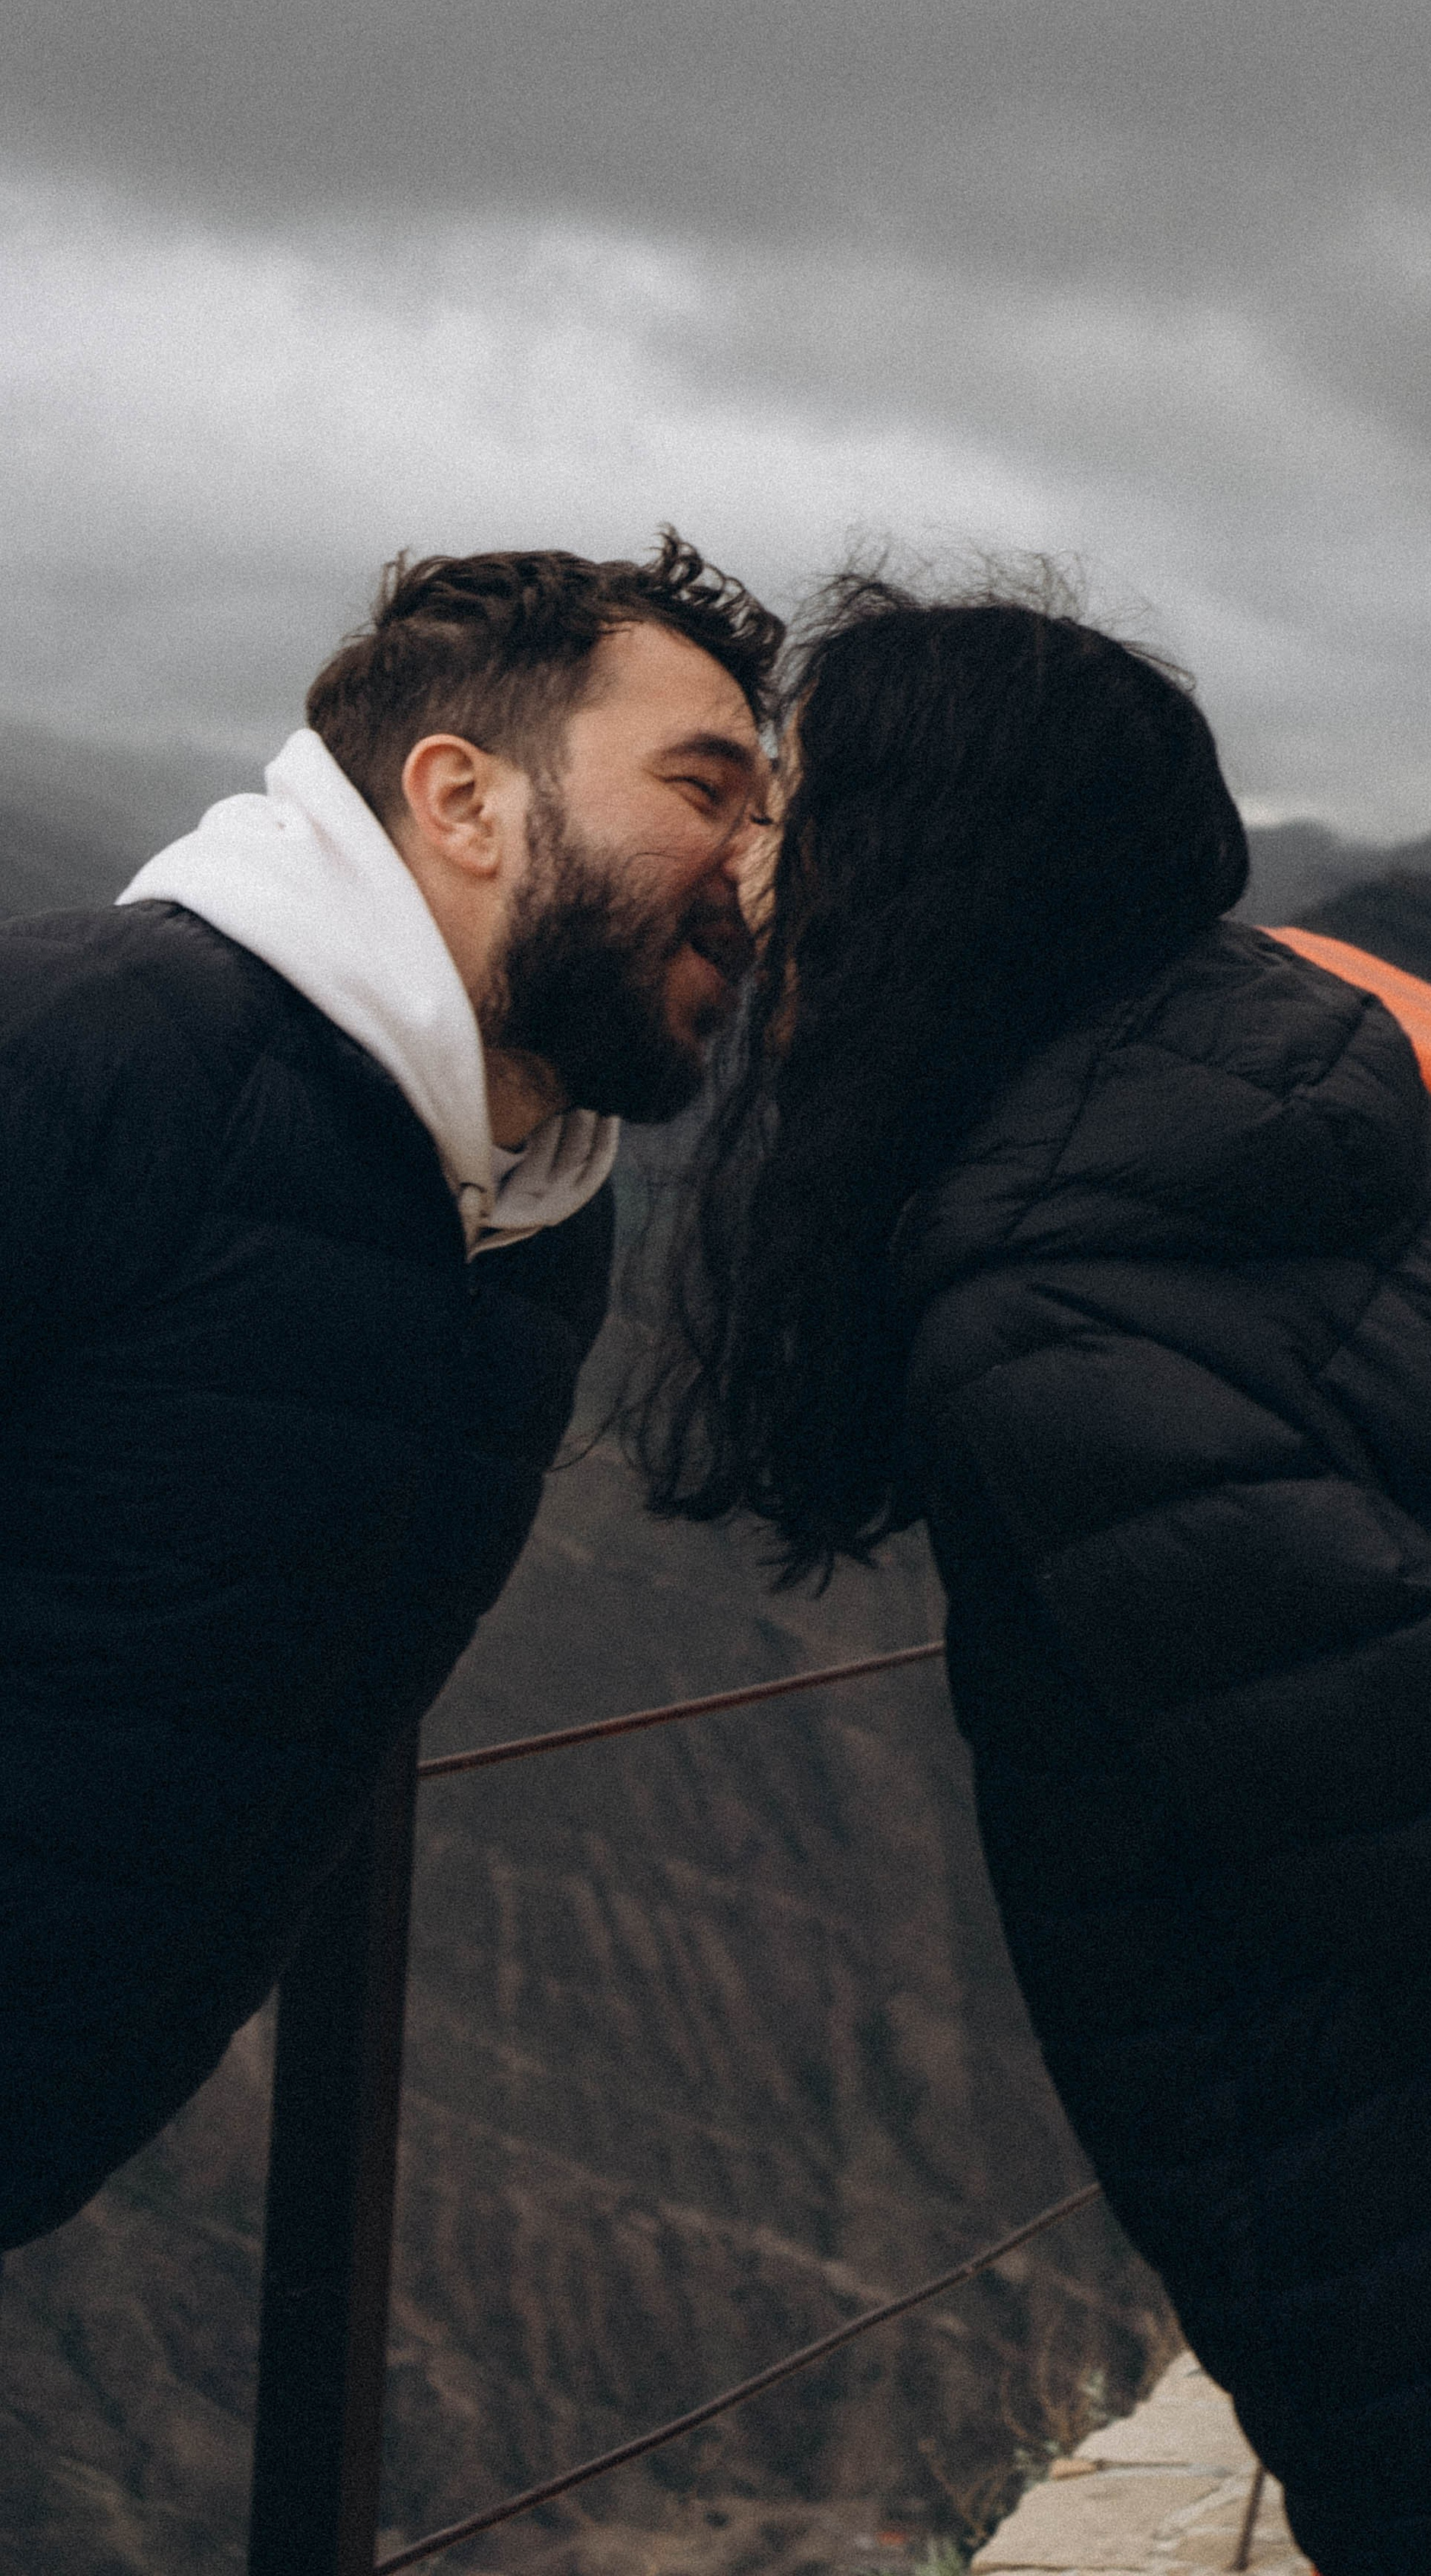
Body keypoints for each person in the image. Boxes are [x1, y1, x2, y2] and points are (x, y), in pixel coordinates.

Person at [639, 571, 1431, 2576]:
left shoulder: (1056, 1336)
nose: (749, 873)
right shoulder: (1329, 1103)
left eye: (796, 814)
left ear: (924, 869)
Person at [0, 533, 782, 2253]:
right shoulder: (94, 1053)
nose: (759, 870)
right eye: (705, 790)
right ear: (462, 799)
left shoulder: (531, 1215)